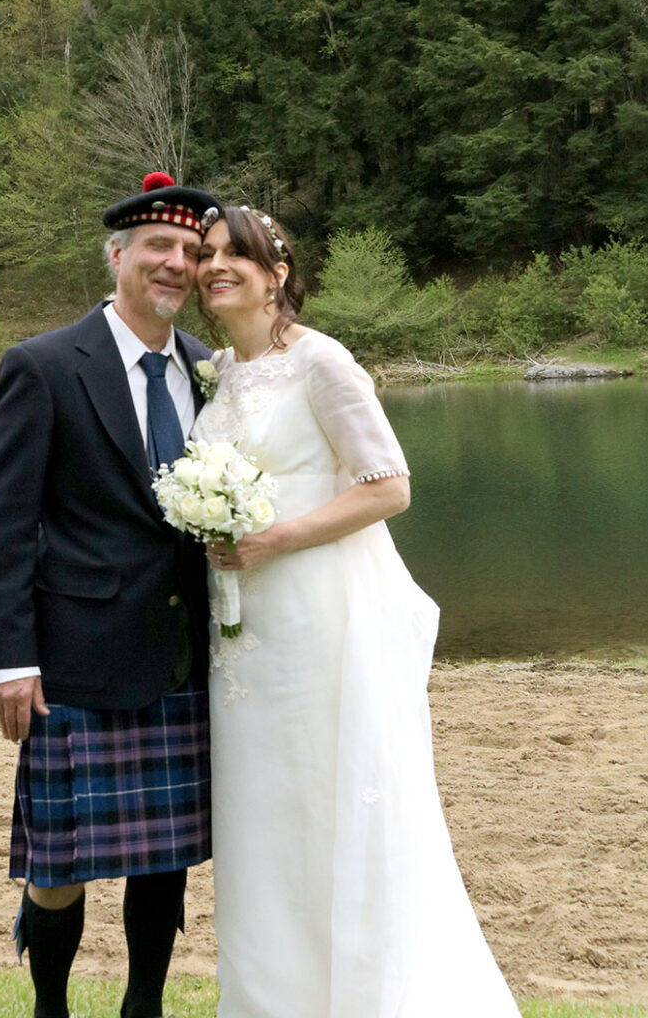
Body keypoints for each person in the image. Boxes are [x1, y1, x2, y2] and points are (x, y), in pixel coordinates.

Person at [194, 206, 522, 1018]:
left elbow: (389, 485)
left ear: (277, 275)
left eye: (236, 254)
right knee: (261, 817)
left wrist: (278, 540)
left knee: (325, 798)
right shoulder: (217, 372)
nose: (214, 266)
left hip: (315, 617)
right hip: (241, 635)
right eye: (206, 255)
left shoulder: (320, 362)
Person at [0, 172, 220, 1018]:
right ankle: (50, 1007)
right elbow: (1, 523)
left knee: (165, 859)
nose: (175, 263)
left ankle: (143, 1006)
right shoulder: (42, 365)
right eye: (158, 247)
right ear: (117, 256)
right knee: (60, 867)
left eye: (189, 251)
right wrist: (7, 658)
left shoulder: (207, 370)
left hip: (183, 657)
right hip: (76, 654)